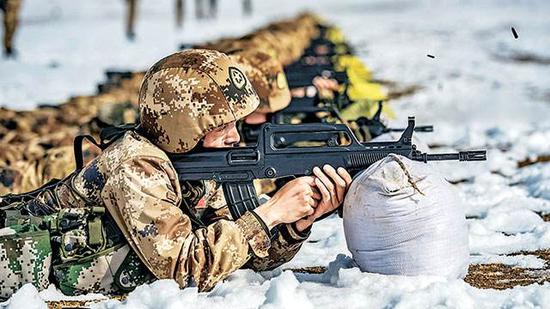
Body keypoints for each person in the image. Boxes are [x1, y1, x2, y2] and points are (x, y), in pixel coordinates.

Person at [0, 49, 352, 295]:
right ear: (184, 128)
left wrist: (294, 224)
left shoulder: (198, 166)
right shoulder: (138, 165)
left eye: (235, 123)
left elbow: (242, 256)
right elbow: (185, 269)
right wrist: (270, 211)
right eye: (221, 125)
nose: (234, 135)